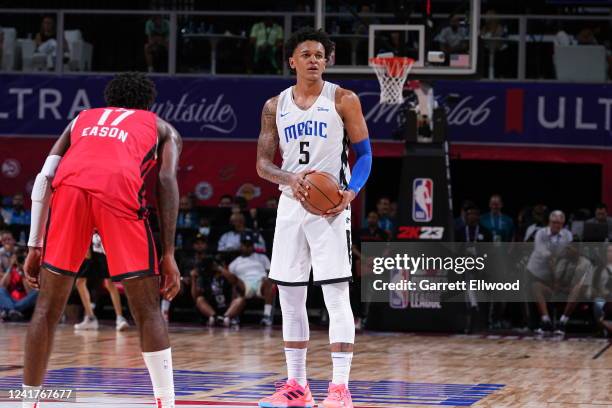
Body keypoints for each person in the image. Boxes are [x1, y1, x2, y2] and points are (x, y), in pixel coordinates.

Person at [22, 72, 182, 408]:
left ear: (110, 100)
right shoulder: (162, 127)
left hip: (70, 191)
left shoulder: (81, 118)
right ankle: (166, 403)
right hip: (119, 192)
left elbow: (44, 177)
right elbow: (166, 183)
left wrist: (34, 244)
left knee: (46, 309)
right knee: (148, 310)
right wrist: (168, 253)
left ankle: (27, 403)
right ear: (148, 104)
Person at [256, 27, 372, 408]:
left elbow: (365, 155)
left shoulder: (343, 99)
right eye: (305, 54)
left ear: (327, 60)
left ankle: (340, 389)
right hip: (291, 205)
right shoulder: (275, 106)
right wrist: (290, 178)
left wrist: (350, 192)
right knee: (290, 298)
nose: (313, 60)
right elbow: (262, 164)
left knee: (336, 295)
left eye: (319, 55)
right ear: (292, 60)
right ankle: (297, 385)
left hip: (330, 209)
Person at [526, 210, 573, 335]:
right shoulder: (540, 234)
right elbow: (548, 257)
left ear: (563, 224)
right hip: (537, 270)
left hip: (556, 272)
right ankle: (538, 324)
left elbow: (568, 253)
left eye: (559, 223)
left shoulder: (567, 235)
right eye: (554, 222)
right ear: (549, 222)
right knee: (533, 296)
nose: (556, 225)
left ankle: (553, 323)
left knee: (553, 297)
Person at [73, 232, 130, 331]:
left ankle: (120, 318)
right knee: (79, 282)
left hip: (101, 241)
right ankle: (90, 318)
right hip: (89, 242)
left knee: (109, 282)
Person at [225, 232, 276, 326]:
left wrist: (267, 280)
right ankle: (234, 315)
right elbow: (231, 279)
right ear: (241, 245)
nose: (247, 247)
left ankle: (266, 316)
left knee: (270, 281)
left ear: (253, 246)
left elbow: (270, 273)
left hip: (260, 284)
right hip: (244, 286)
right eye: (245, 245)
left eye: (249, 245)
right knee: (234, 282)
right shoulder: (235, 263)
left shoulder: (262, 257)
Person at [189, 253, 241, 327]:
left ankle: (225, 317)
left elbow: (234, 281)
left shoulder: (227, 275)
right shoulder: (205, 276)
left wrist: (220, 269)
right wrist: (193, 280)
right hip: (212, 307)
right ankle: (215, 317)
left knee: (240, 300)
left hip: (228, 306)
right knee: (199, 299)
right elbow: (195, 297)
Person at [0, 247, 38, 322]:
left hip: (24, 301)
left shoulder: (31, 271)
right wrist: (10, 267)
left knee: (36, 292)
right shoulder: (11, 270)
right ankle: (13, 311)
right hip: (11, 300)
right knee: (0, 290)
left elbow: (29, 292)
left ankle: (11, 310)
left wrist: (23, 273)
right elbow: (2, 285)